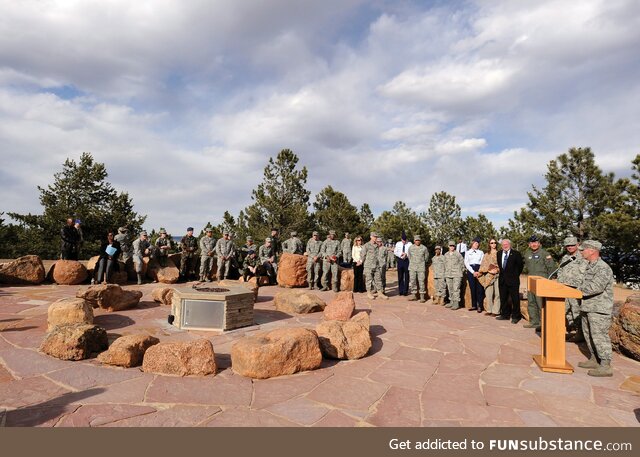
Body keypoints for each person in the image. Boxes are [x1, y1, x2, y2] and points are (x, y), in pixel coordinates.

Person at [576, 240, 614, 377]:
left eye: (583, 249)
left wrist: (577, 292)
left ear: (592, 250)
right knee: (589, 335)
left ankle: (605, 365)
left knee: (599, 336)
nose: (581, 252)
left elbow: (596, 287)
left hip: (599, 308)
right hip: (587, 307)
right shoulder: (590, 266)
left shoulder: (603, 267)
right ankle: (594, 359)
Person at [557, 236, 587, 342]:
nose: (570, 247)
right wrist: (560, 283)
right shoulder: (566, 257)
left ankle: (580, 334)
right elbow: (560, 270)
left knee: (576, 311)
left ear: (577, 245)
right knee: (568, 312)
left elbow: (583, 274)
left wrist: (572, 285)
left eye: (572, 245)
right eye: (568, 246)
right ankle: (573, 331)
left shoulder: (583, 257)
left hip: (575, 289)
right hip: (564, 288)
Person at [523, 235, 556, 330]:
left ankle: (543, 323)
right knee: (531, 301)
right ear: (529, 244)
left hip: (542, 281)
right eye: (532, 243)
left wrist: (548, 281)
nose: (534, 244)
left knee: (540, 302)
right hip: (530, 280)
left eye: (536, 242)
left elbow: (552, 268)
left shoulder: (545, 254)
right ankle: (534, 322)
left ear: (539, 244)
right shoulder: (527, 254)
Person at [496, 239, 524, 324]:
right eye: (503, 244)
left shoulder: (516, 254)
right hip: (502, 280)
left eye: (506, 244)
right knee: (503, 298)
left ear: (510, 244)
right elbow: (501, 267)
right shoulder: (499, 253)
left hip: (513, 280)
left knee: (515, 299)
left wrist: (515, 275)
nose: (505, 246)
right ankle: (505, 314)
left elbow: (520, 267)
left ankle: (516, 316)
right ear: (501, 246)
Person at [478, 238, 500, 316]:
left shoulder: (499, 253)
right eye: (491, 243)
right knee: (488, 293)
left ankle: (496, 311)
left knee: (497, 293)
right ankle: (489, 309)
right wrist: (488, 270)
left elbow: (502, 265)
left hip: (497, 275)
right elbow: (483, 265)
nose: (493, 244)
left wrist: (497, 269)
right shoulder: (486, 255)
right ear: (489, 244)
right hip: (488, 275)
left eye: (495, 243)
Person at [362, 232, 387, 300]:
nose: (375, 238)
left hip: (376, 265)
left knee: (378, 279)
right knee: (369, 280)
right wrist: (362, 263)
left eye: (376, 236)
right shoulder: (366, 245)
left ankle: (380, 292)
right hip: (369, 265)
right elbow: (363, 255)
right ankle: (369, 293)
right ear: (371, 237)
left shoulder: (377, 245)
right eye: (374, 236)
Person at [464, 237, 485, 312]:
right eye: (475, 243)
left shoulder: (481, 252)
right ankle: (474, 305)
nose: (477, 244)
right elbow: (466, 263)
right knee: (472, 288)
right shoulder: (467, 252)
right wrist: (473, 272)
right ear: (472, 243)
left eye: (478, 243)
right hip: (471, 271)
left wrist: (479, 272)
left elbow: (483, 263)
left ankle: (480, 306)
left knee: (480, 289)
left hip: (479, 270)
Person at [444, 240, 465, 309]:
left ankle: (456, 303)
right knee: (450, 288)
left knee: (456, 289)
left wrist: (461, 272)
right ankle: (451, 301)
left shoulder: (458, 254)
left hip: (457, 274)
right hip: (448, 274)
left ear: (455, 247)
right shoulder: (446, 255)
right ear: (448, 246)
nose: (452, 247)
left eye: (453, 246)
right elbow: (444, 264)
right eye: (450, 246)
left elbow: (462, 264)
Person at [408, 235, 429, 303]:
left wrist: (421, 263)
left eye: (418, 240)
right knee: (413, 281)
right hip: (412, 267)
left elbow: (426, 258)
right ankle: (414, 295)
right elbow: (409, 256)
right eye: (416, 240)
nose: (417, 241)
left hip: (421, 268)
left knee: (421, 282)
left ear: (420, 241)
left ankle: (422, 297)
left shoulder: (424, 248)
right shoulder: (411, 248)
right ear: (414, 241)